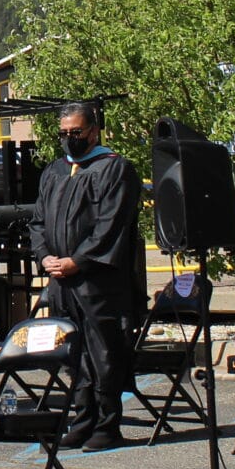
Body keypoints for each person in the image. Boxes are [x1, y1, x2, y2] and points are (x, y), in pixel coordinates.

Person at [30, 100, 145, 450]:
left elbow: (112, 226)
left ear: (94, 131)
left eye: (76, 132)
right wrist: (46, 257)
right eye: (63, 133)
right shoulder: (54, 171)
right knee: (73, 351)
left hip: (98, 281)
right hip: (61, 280)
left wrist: (78, 260)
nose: (69, 139)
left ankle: (108, 425)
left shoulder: (115, 169)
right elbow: (38, 222)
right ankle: (82, 419)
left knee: (104, 352)